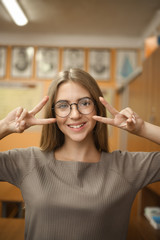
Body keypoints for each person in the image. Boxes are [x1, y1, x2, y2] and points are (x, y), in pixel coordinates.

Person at [0, 68, 160, 240]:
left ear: (97, 107)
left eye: (84, 103)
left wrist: (142, 128)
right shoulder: (27, 162)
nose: (75, 115)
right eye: (63, 105)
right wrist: (3, 126)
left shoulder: (127, 167)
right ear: (53, 112)